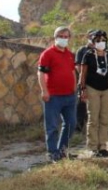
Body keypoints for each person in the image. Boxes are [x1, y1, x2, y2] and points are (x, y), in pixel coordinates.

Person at [37, 26, 77, 163]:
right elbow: (41, 73)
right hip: (53, 96)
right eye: (61, 36)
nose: (64, 39)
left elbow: (72, 72)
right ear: (55, 37)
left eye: (66, 36)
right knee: (52, 126)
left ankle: (62, 150)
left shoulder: (69, 55)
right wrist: (44, 90)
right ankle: (52, 152)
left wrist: (74, 88)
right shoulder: (47, 54)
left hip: (70, 96)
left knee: (71, 124)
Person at [78, 30, 108, 157]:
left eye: (103, 40)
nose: (100, 43)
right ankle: (93, 146)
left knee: (104, 118)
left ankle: (103, 146)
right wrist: (82, 89)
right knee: (93, 118)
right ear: (93, 42)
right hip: (92, 88)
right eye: (97, 41)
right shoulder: (88, 55)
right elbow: (82, 74)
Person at [74, 29, 97, 132]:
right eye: (92, 36)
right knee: (82, 105)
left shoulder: (102, 50)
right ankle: (79, 127)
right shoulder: (82, 50)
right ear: (88, 37)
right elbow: (78, 67)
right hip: (84, 82)